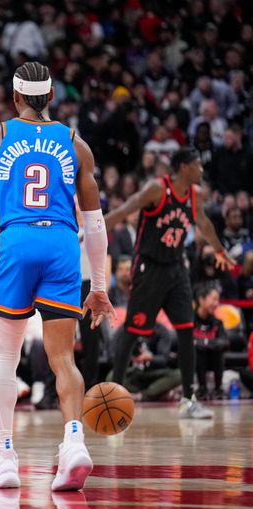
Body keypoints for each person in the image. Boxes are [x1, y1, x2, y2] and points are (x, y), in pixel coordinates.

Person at [0, 62, 114, 491]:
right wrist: (100, 287)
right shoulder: (75, 142)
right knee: (62, 359)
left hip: (18, 242)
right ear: (51, 97)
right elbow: (96, 224)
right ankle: (74, 442)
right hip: (62, 246)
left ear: (14, 98)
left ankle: (5, 457)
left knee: (6, 357)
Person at [104, 146, 235, 419]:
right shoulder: (157, 188)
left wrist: (220, 250)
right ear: (184, 167)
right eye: (197, 165)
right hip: (149, 268)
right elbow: (124, 210)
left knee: (187, 329)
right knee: (133, 331)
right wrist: (92, 229)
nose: (201, 169)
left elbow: (204, 223)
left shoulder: (194, 195)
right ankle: (114, 394)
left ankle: (188, 399)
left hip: (176, 270)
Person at [193, 284, 229, 400]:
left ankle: (218, 389)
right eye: (213, 299)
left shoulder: (217, 322)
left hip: (213, 358)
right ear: (201, 300)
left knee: (217, 350)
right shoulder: (189, 320)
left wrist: (205, 343)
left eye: (217, 300)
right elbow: (186, 342)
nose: (216, 303)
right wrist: (206, 343)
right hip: (195, 360)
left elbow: (224, 341)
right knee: (199, 350)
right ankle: (202, 389)